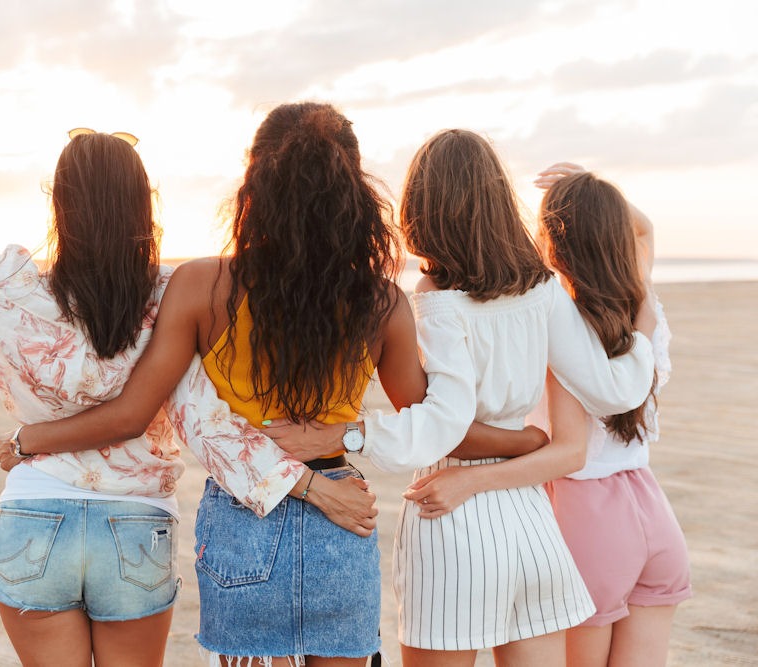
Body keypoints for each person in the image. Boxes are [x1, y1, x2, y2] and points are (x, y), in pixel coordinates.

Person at [0, 14, 375, 667]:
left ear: (57, 203)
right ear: (145, 206)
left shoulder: (0, 283)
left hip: (34, 513)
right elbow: (207, 425)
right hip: (134, 523)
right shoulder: (168, 296)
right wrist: (314, 484)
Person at [0, 101, 431, 666]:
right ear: (354, 191)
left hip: (243, 517)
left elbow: (134, 408)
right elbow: (429, 425)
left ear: (255, 179)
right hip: (340, 513)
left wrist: (26, 439)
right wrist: (348, 435)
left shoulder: (205, 285)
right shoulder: (383, 302)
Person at [266, 129, 658, 667]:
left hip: (451, 512)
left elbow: (446, 420)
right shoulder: (542, 287)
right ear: (496, 199)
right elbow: (615, 389)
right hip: (532, 520)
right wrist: (642, 329)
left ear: (422, 209)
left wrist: (354, 433)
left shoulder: (437, 301)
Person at [534, 164, 692, 666]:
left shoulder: (559, 324)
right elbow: (644, 229)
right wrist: (596, 189)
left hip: (587, 516)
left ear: (554, 246)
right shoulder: (643, 303)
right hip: (652, 508)